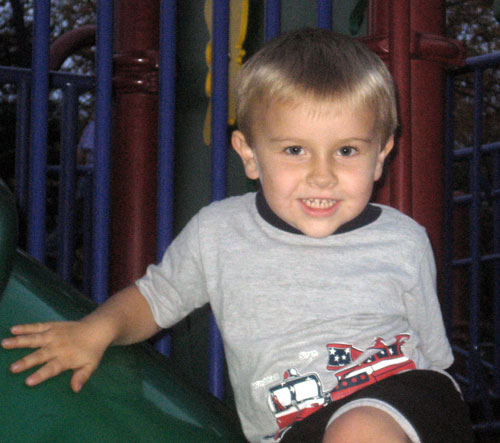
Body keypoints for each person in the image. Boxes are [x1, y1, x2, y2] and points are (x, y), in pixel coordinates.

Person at [2, 28, 473, 443]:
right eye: (295, 150)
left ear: (381, 154)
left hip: (399, 402)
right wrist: (96, 330)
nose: (323, 175)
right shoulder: (220, 232)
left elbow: (431, 356)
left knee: (358, 431)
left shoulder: (402, 238)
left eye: (347, 150)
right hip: (290, 427)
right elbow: (156, 296)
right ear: (249, 155)